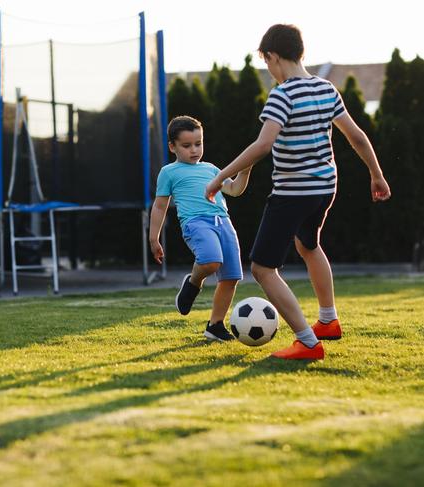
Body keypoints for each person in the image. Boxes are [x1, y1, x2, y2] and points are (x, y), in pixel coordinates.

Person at [205, 24, 391, 360]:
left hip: (293, 192)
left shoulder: (283, 95)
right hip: (325, 187)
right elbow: (357, 136)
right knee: (309, 244)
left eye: (267, 64)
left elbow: (263, 145)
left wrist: (220, 177)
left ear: (273, 57)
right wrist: (376, 175)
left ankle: (306, 341)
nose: (270, 72)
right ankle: (328, 321)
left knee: (262, 268)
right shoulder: (326, 88)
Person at [149, 115, 252, 342]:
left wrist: (245, 170)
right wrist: (153, 238)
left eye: (198, 143)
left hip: (224, 222)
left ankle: (215, 325)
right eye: (186, 146)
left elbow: (235, 190)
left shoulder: (212, 169)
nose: (194, 150)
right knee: (210, 261)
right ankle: (193, 283)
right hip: (195, 223)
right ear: (172, 146)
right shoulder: (169, 172)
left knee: (231, 277)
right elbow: (159, 206)